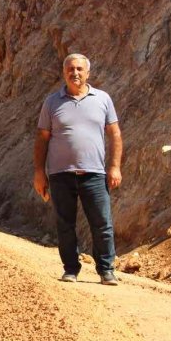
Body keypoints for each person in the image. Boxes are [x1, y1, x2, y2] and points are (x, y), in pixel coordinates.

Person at [33, 54, 123, 285]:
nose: (75, 73)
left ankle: (106, 270)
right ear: (64, 73)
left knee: (102, 224)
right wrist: (39, 172)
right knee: (65, 225)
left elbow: (114, 134)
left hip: (95, 174)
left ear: (88, 73)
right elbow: (42, 138)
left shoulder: (102, 99)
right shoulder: (52, 102)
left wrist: (114, 166)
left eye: (79, 69)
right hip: (60, 175)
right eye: (70, 69)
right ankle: (71, 269)